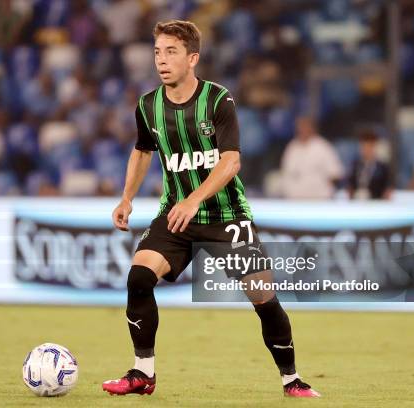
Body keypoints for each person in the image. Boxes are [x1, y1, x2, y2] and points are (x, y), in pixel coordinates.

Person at [102, 20, 320, 398]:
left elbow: (230, 162)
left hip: (226, 216)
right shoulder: (148, 106)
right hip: (176, 216)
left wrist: (194, 199)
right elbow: (141, 151)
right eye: (157, 51)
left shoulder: (219, 100)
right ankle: (143, 374)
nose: (162, 60)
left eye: (171, 52)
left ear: (193, 59)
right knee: (139, 279)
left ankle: (292, 380)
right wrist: (127, 197)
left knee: (264, 299)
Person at [280, 116, 343, 199]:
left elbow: (335, 174)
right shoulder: (292, 147)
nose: (302, 130)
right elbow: (285, 172)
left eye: (305, 126)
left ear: (312, 128)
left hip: (319, 199)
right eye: (300, 127)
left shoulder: (323, 146)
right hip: (295, 199)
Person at [348, 130, 391, 199]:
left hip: (376, 203)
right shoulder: (355, 165)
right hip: (357, 201)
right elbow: (351, 185)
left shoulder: (382, 167)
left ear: (375, 147)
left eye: (369, 146)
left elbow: (387, 189)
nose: (366, 149)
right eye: (364, 146)